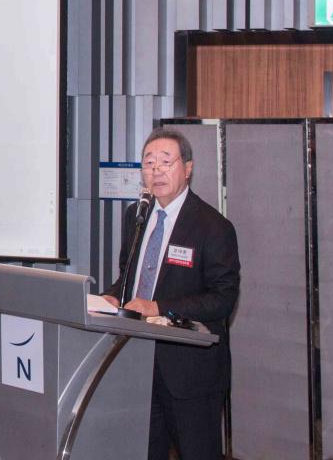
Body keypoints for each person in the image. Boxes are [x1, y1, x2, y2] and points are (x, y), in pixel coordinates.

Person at [102, 127, 240, 460]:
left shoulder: (212, 226)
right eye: (149, 163)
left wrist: (159, 307)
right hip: (136, 362)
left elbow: (222, 298)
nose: (156, 171)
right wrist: (111, 297)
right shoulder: (136, 216)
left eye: (166, 161)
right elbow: (129, 277)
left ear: (187, 168)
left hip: (189, 372)